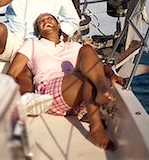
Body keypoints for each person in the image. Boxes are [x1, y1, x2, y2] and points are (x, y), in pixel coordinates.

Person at [7, 13, 127, 151]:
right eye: (41, 21)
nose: (46, 20)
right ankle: (96, 128)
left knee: (87, 50)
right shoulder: (32, 44)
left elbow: (96, 65)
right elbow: (13, 72)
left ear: (58, 25)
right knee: (84, 78)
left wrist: (112, 74)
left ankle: (100, 88)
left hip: (79, 98)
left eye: (49, 18)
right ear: (38, 30)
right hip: (50, 93)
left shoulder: (74, 46)